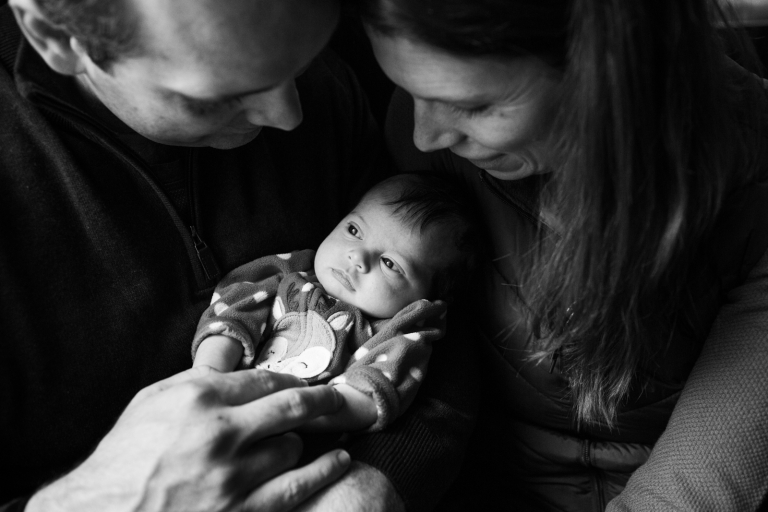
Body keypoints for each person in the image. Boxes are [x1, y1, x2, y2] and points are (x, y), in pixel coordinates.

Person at [0, 0, 477, 511]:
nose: (289, 117)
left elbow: (439, 320)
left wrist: (379, 479)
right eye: (221, 96)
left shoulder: (310, 72)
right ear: (56, 36)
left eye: (300, 66)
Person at [360, 0, 768, 510]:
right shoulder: (424, 141)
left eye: (473, 105)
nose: (426, 135)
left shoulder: (753, 171)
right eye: (410, 90)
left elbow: (705, 476)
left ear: (606, 69)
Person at [193, 174, 478, 433]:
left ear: (427, 301)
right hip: (216, 404)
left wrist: (289, 419)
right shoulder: (288, 274)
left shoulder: (397, 336)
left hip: (296, 438)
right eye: (354, 230)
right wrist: (209, 374)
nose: (356, 256)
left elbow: (370, 396)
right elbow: (232, 312)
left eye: (390, 263)